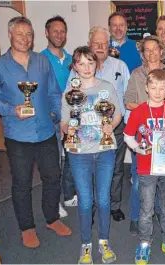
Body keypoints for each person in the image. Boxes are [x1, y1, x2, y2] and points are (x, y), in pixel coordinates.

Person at [0, 16, 71, 249]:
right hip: (17, 135)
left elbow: (53, 92)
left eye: (29, 34)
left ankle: (51, 219)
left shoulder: (42, 61)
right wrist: (11, 110)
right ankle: (27, 227)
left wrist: (57, 117)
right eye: (20, 34)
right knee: (22, 184)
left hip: (46, 132)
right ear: (10, 35)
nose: (25, 38)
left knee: (52, 178)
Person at [61, 46, 121, 264]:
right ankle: (86, 244)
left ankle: (104, 241)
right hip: (79, 154)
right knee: (85, 201)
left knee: (103, 200)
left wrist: (110, 127)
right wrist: (69, 130)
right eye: (81, 63)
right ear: (75, 67)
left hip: (105, 151)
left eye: (90, 62)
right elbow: (64, 122)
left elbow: (118, 114)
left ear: (97, 64)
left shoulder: (107, 87)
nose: (86, 67)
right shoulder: (69, 93)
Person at [124, 69, 165, 265]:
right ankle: (144, 243)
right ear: (146, 88)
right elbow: (127, 135)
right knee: (146, 209)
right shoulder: (139, 111)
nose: (158, 92)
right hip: (145, 168)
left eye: (162, 88)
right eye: (153, 88)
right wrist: (137, 149)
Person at [68, 27, 130, 222]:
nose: (101, 47)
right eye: (97, 43)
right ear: (90, 45)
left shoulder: (120, 66)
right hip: (87, 129)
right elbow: (70, 98)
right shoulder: (76, 71)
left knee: (116, 169)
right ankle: (93, 206)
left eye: (105, 43)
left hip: (115, 126)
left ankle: (113, 205)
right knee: (91, 170)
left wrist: (124, 123)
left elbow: (127, 96)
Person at [124, 35, 165, 236]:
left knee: (164, 180)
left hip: (164, 138)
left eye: (155, 48)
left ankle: (160, 216)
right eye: (147, 49)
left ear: (161, 51)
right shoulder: (136, 74)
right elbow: (128, 100)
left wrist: (163, 107)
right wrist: (147, 112)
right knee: (140, 182)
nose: (152, 52)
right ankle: (137, 218)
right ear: (143, 53)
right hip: (145, 136)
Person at [40, 15, 76, 218]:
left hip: (72, 118)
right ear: (46, 33)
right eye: (55, 31)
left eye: (62, 31)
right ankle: (54, 203)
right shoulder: (40, 59)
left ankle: (69, 195)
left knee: (71, 158)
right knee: (54, 164)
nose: (59, 35)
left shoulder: (72, 60)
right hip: (52, 119)